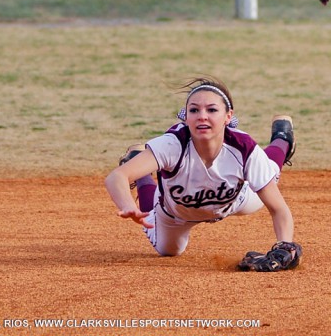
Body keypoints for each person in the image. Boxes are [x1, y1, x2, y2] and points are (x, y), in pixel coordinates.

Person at [104, 76, 302, 272]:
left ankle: (283, 137)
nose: (202, 116)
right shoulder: (173, 145)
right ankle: (140, 168)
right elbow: (116, 177)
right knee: (169, 251)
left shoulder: (243, 148)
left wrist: (284, 244)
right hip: (175, 216)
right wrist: (128, 205)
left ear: (228, 116)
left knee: (270, 173)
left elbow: (279, 209)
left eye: (212, 110)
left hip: (236, 201)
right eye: (194, 110)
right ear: (186, 116)